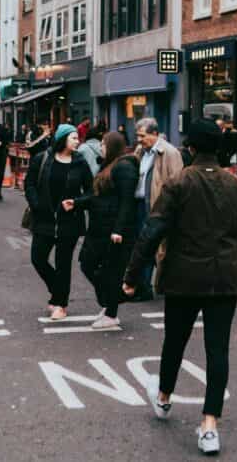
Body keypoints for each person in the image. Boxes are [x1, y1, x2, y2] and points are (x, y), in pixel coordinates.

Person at [123, 118, 237, 456]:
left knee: (175, 339)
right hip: (225, 275)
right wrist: (230, 244)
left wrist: (131, 275)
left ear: (191, 148)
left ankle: (165, 397)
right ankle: (210, 424)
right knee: (218, 350)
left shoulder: (178, 183)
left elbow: (152, 230)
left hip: (183, 274)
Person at [72, 131, 139, 329]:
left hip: (113, 230)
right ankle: (112, 301)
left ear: (112, 146)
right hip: (100, 227)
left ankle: (112, 310)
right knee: (89, 264)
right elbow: (96, 195)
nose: (101, 146)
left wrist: (118, 230)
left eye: (103, 143)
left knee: (109, 270)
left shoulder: (125, 167)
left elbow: (127, 202)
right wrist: (76, 203)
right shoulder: (109, 165)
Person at [25, 124, 92, 321]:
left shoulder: (80, 162)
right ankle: (58, 292)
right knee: (37, 258)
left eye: (77, 138)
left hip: (69, 222)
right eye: (73, 138)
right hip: (44, 219)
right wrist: (36, 204)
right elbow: (29, 183)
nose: (77, 141)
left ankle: (61, 305)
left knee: (63, 265)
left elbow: (91, 191)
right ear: (62, 139)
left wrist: (77, 203)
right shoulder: (42, 159)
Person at [133, 117, 184, 302]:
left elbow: (178, 182)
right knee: (142, 246)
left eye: (142, 135)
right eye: (137, 135)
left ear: (154, 134)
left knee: (160, 248)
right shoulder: (141, 151)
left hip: (159, 206)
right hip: (140, 204)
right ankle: (143, 287)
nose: (139, 139)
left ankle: (168, 285)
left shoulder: (170, 153)